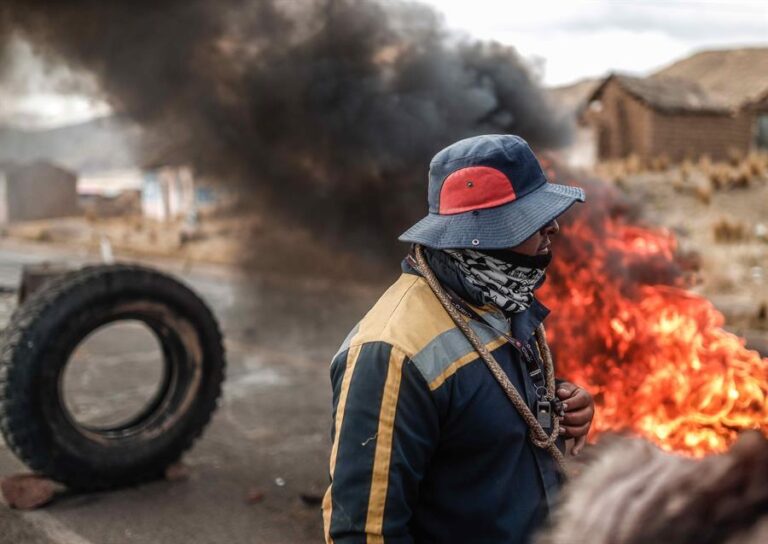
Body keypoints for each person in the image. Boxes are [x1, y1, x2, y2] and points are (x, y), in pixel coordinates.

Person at [322, 134, 595, 543]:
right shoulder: (391, 353)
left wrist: (560, 407)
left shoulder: (499, 299)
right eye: (531, 217)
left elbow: (486, 416)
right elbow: (363, 534)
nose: (553, 226)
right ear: (481, 232)